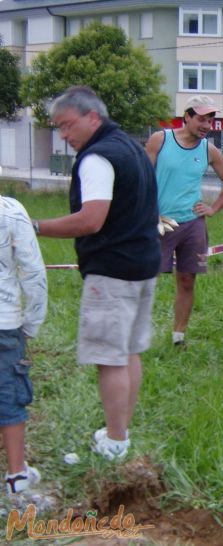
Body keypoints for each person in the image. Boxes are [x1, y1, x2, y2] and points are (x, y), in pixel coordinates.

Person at [34, 86, 160, 461]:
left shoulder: (96, 158)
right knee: (129, 350)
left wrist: (35, 226)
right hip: (142, 264)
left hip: (112, 270)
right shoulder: (132, 148)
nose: (63, 135)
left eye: (67, 125)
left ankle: (116, 441)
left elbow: (91, 219)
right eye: (58, 128)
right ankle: (119, 431)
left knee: (110, 357)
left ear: (93, 117)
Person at [146, 95, 223, 346]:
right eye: (201, 119)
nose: (206, 125)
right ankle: (136, 334)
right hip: (160, 221)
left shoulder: (209, 150)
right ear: (186, 117)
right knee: (145, 278)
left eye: (210, 120)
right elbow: (141, 177)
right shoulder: (160, 140)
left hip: (192, 224)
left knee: (187, 280)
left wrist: (213, 209)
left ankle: (179, 336)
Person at [0, 195, 47, 494]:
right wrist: (31, 323)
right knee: (10, 395)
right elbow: (34, 273)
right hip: (4, 322)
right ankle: (17, 476)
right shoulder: (11, 211)